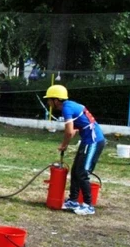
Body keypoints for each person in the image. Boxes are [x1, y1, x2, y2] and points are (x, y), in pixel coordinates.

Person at [45, 84, 105, 215]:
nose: (48, 101)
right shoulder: (70, 105)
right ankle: (73, 200)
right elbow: (79, 126)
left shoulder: (66, 109)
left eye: (49, 99)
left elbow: (69, 132)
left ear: (56, 100)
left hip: (93, 141)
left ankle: (88, 205)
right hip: (87, 141)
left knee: (83, 172)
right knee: (76, 170)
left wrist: (64, 145)